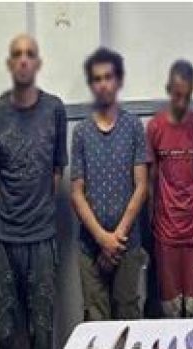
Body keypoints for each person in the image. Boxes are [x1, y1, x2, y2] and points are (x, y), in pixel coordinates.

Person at [0, 34, 67, 349]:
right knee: (2, 337)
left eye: (30, 54)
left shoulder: (55, 110)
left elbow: (56, 172)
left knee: (41, 334)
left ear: (38, 63)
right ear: (9, 63)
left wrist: (37, 213)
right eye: (16, 54)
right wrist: (9, 212)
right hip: (1, 239)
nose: (23, 61)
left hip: (42, 239)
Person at [71, 47, 149, 321]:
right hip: (89, 246)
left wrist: (116, 239)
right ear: (91, 84)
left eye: (108, 77)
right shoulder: (81, 132)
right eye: (97, 79)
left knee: (128, 317)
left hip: (127, 243)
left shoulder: (134, 126)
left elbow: (141, 186)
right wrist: (102, 239)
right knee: (96, 320)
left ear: (118, 81)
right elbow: (76, 193)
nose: (103, 84)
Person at [147, 60, 193, 317]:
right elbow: (150, 182)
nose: (182, 102)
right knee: (171, 310)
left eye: (187, 96)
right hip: (166, 233)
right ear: (168, 90)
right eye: (177, 95)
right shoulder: (155, 127)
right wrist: (152, 228)